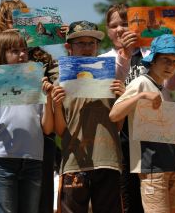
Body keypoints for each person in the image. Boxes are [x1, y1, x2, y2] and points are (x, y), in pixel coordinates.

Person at [103, 3, 175, 213]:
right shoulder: (103, 60)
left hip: (158, 141)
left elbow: (171, 85)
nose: (121, 29)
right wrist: (124, 54)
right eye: (114, 25)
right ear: (107, 29)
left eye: (125, 23)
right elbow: (111, 102)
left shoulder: (153, 54)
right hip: (122, 139)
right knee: (129, 199)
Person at [0, 0, 68, 213]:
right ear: (3, 23)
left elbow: (63, 84)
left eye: (24, 19)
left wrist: (68, 42)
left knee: (41, 200)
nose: (19, 25)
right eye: (13, 19)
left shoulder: (44, 58)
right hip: (8, 141)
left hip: (41, 136)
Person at [0, 29, 54, 213]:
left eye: (24, 50)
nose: (22, 55)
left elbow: (47, 128)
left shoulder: (37, 83)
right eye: (14, 51)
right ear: (2, 54)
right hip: (3, 160)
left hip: (33, 159)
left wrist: (48, 99)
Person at [52, 21, 125, 213]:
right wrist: (56, 106)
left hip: (108, 160)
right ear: (68, 47)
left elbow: (117, 126)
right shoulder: (59, 82)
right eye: (81, 43)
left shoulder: (111, 78)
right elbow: (60, 131)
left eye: (92, 43)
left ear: (97, 46)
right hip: (73, 163)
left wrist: (122, 98)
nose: (87, 48)